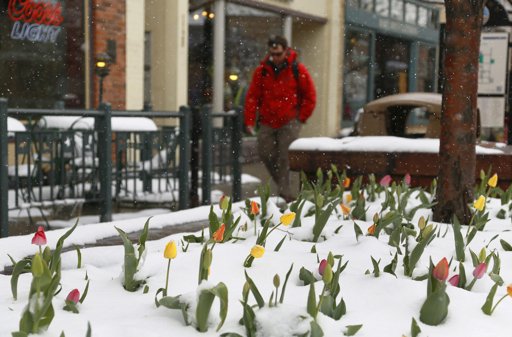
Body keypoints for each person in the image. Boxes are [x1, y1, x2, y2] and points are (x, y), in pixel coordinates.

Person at [244, 35, 316, 202]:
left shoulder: (298, 70)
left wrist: (301, 118)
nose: (275, 58)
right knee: (265, 153)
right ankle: (285, 187)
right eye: (272, 54)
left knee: (284, 157)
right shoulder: (262, 71)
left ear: (285, 51)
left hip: (289, 121)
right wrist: (249, 120)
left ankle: (286, 193)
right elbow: (252, 97)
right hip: (267, 121)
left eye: (278, 54)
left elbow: (310, 96)